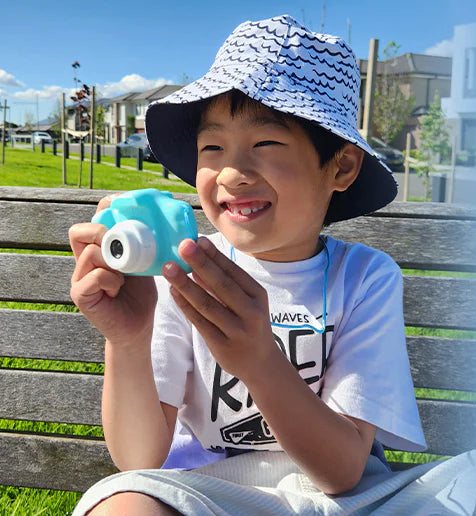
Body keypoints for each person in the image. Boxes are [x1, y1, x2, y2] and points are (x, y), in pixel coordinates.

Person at [68, 15, 432, 515]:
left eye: (266, 144)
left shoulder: (365, 278)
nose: (233, 174)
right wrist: (127, 340)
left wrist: (260, 361)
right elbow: (136, 459)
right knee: (122, 507)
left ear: (341, 167)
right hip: (211, 492)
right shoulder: (185, 270)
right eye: (212, 148)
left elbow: (344, 472)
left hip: (341, 500)